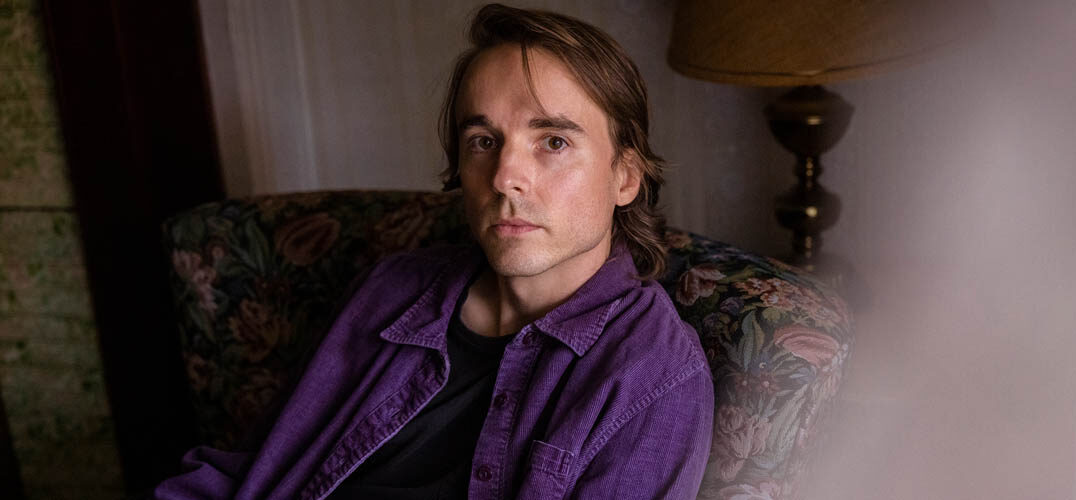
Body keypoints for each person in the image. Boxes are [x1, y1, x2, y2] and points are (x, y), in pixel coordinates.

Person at [154, 4, 712, 499]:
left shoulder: (651, 376)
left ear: (626, 177)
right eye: (484, 142)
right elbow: (259, 467)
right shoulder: (393, 288)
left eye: (554, 141)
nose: (505, 177)